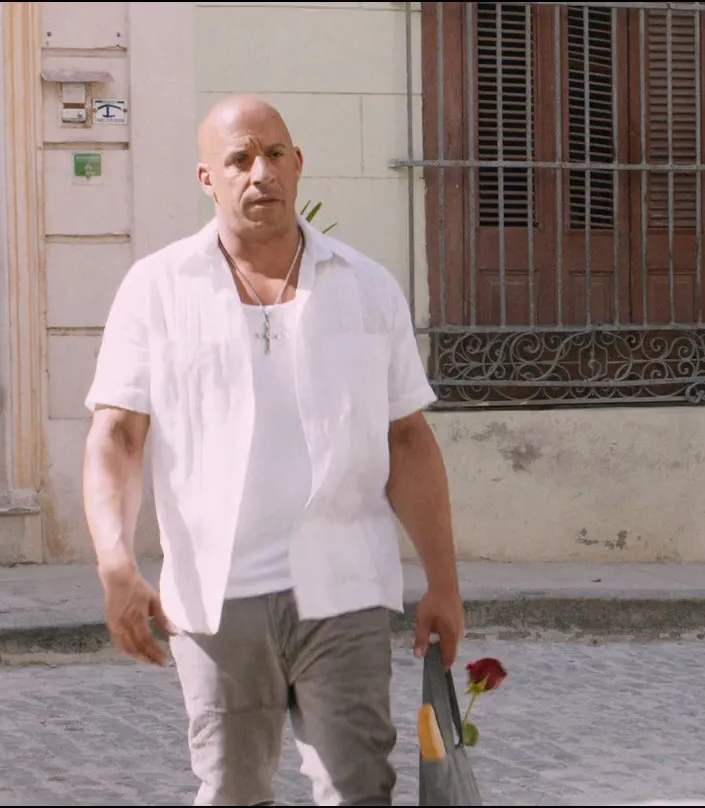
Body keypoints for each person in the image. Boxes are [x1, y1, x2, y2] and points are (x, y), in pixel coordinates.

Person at [81, 95, 466, 806]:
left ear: (298, 164)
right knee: (233, 790)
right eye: (239, 159)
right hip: (217, 598)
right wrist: (116, 563)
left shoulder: (366, 287)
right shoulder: (157, 290)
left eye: (275, 154)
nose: (261, 172)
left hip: (344, 589)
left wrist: (443, 581)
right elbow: (117, 435)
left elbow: (408, 439)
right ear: (207, 178)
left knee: (360, 789)